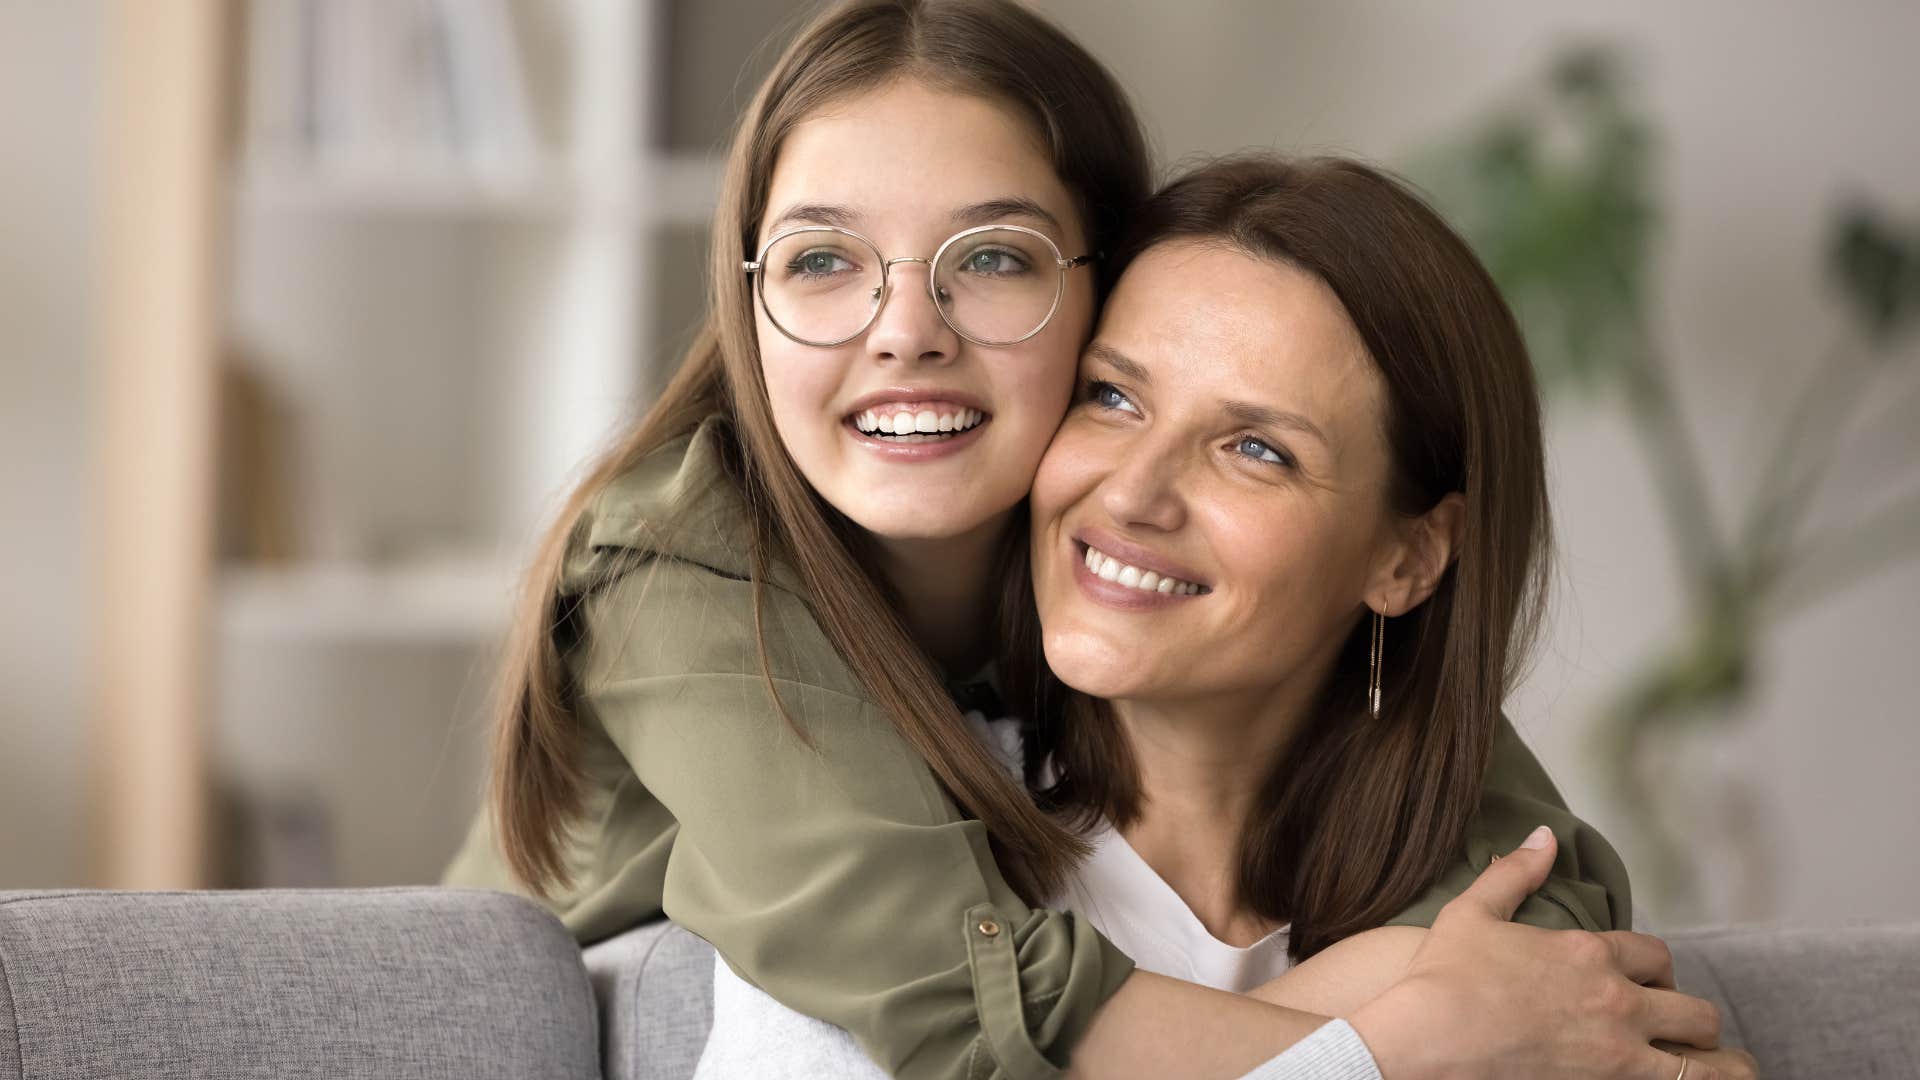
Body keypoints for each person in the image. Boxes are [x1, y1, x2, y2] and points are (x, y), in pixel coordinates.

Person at [440, 2, 1739, 1076]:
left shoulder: (1100, 557)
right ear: (750, 298)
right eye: (820, 262)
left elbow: (1537, 891)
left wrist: (1495, 998)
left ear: (1104, 286)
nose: (906, 330)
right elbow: (963, 1009)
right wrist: (1406, 1036)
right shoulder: (682, 574)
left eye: (992, 258)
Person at [688, 153, 1756, 1079]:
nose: (1134, 494)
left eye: (1257, 449)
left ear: (1407, 557)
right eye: (1113, 397)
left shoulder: (1495, 934)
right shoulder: (885, 842)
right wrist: (1396, 1042)